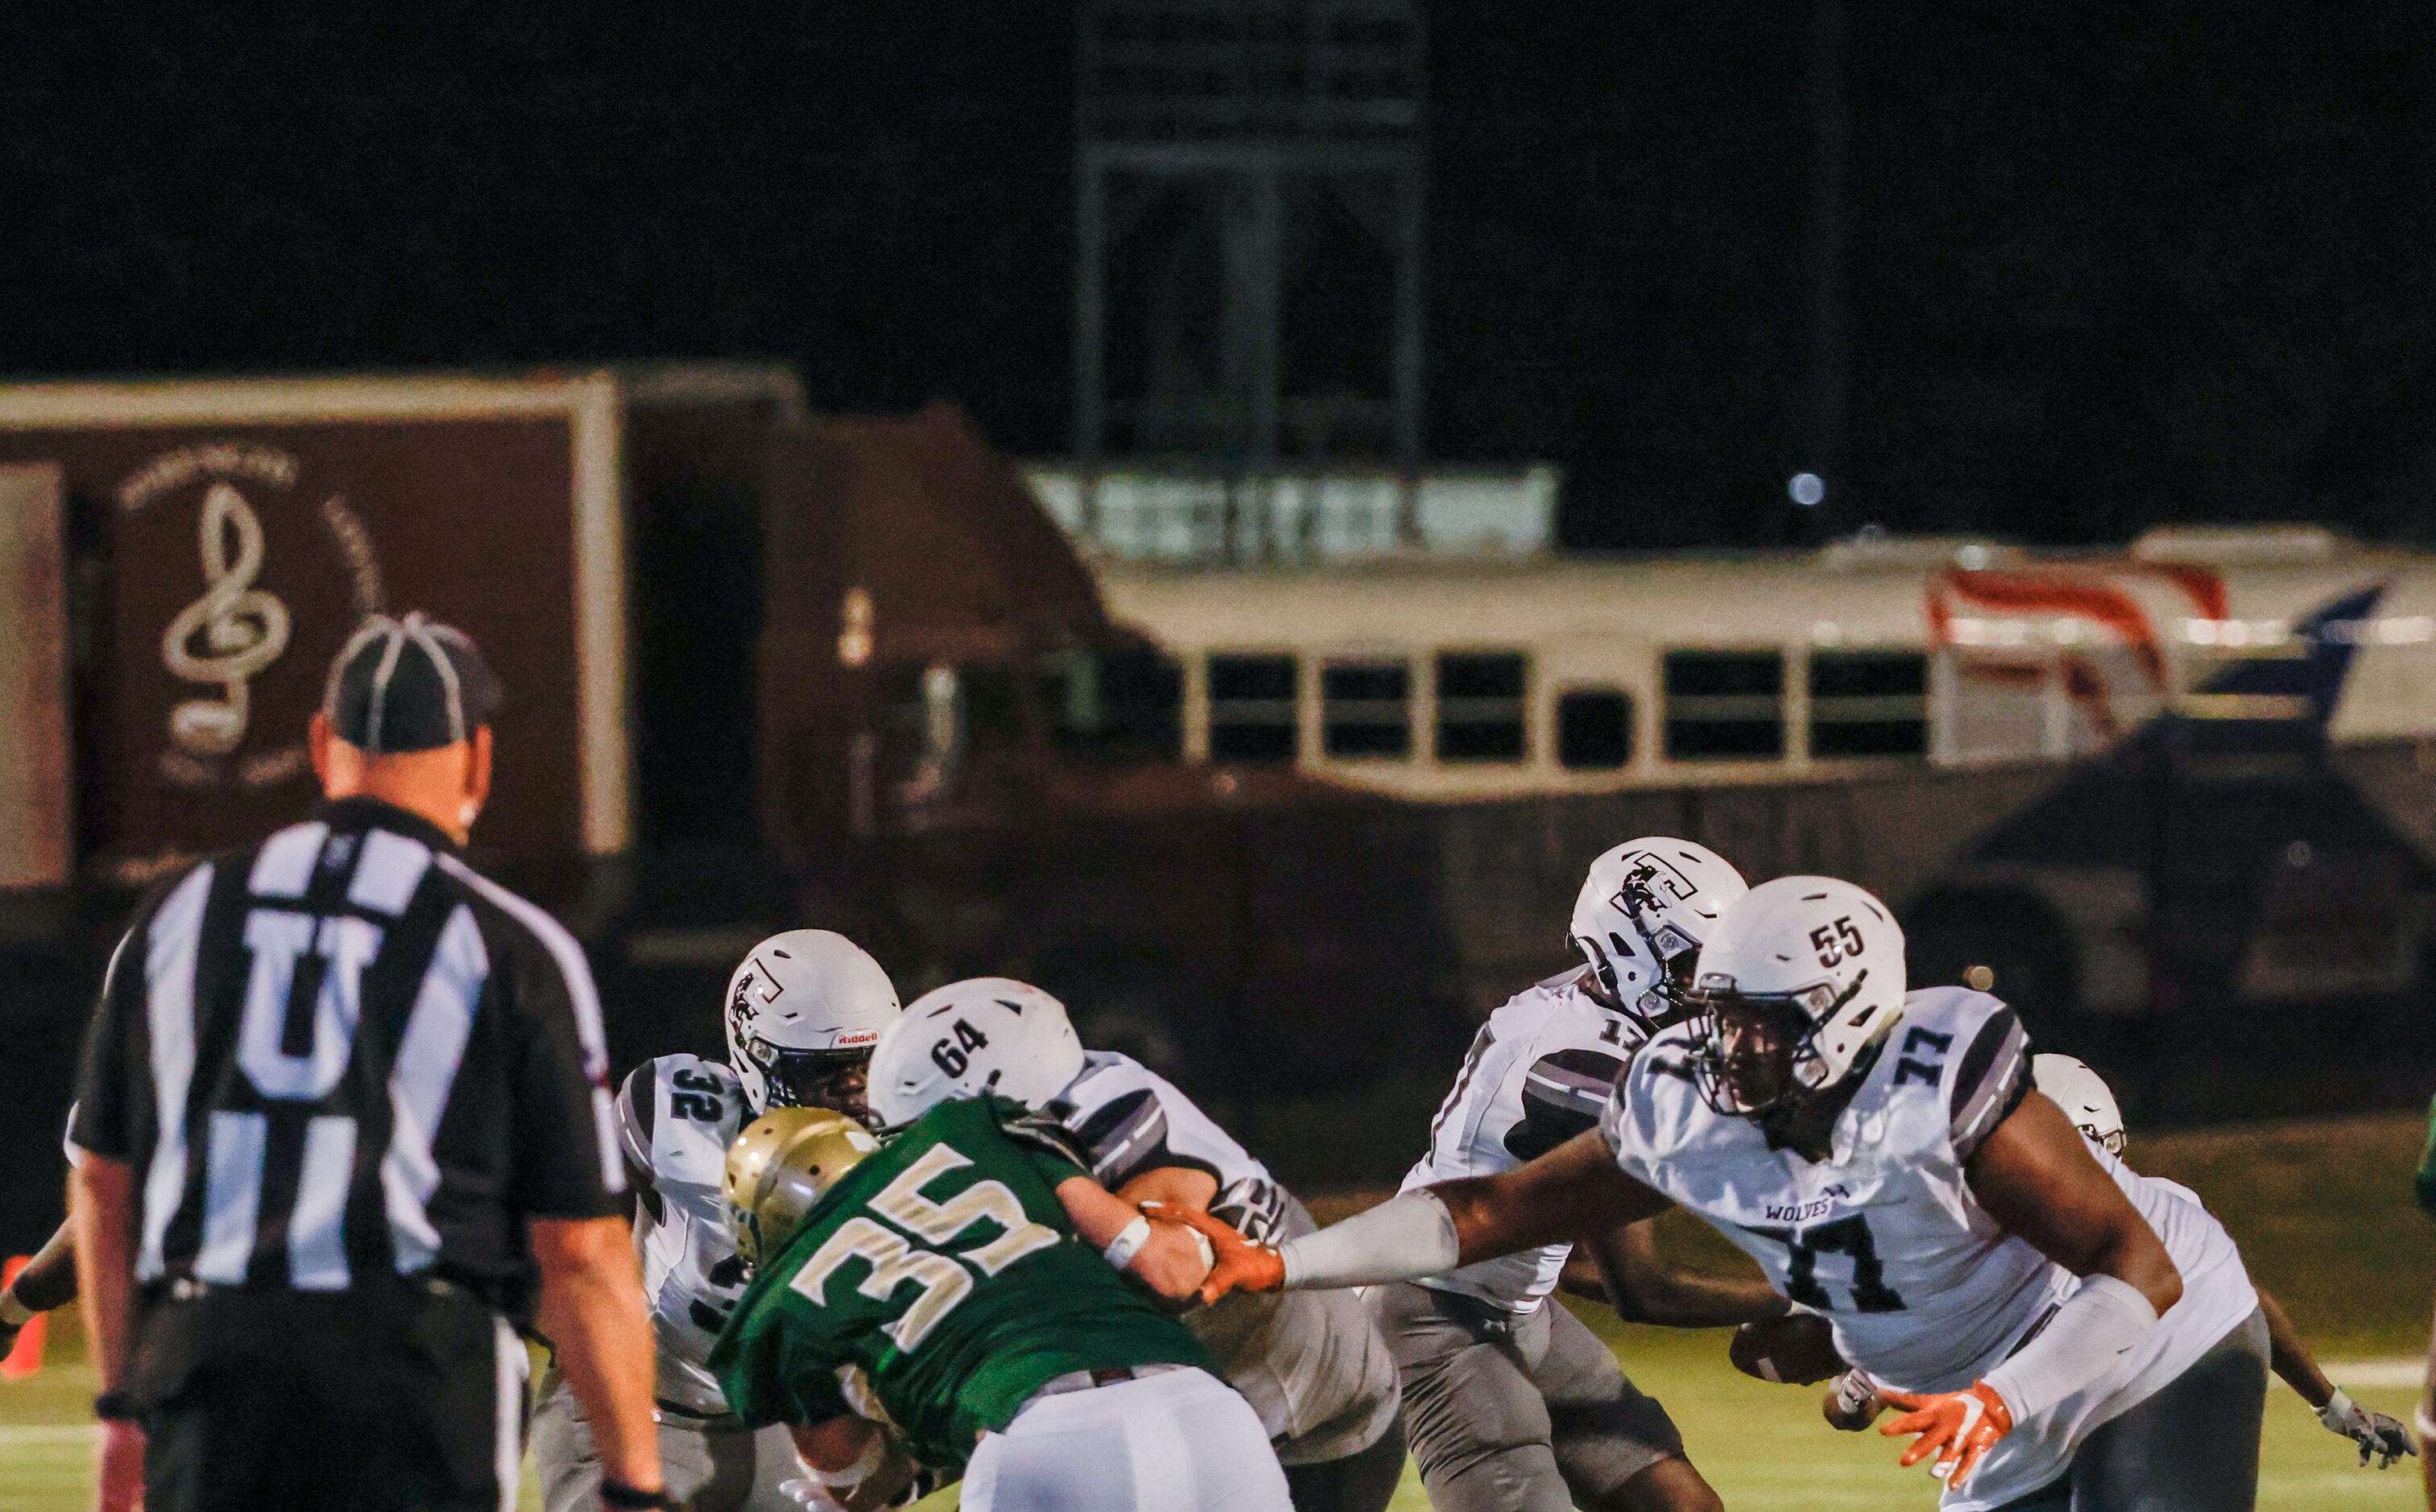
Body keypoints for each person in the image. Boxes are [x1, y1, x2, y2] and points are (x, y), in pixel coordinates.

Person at [1173, 875, 2278, 1512]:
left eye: (1759, 1017)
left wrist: (1996, 1397)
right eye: (1716, 1010)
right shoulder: (1680, 1104)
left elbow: (2139, 1266)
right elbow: (1486, 1212)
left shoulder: (1943, 1083)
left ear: (1846, 1010)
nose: (1725, 1043)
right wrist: (1287, 1262)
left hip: (2143, 1341)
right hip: (1974, 1390)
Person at [68, 611, 664, 1512]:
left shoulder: (181, 913)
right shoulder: (506, 944)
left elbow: (104, 1185)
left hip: (212, 1360)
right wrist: (637, 1486)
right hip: (413, 1371)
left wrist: (122, 1407)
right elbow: (580, 1250)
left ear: (320, 743)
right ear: (477, 758)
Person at [866, 976, 1405, 1512]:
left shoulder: (1118, 1126)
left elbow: (1162, 1278)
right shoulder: (1053, 1110)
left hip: (1315, 1437)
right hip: (1198, 1416)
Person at [1368, 838, 1775, 1512]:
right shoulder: (1587, 1072)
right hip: (1435, 1315)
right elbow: (1645, 1291)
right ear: (1626, 949)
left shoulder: (1583, 1007)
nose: (1709, 989)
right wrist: (1801, 1301)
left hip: (1508, 1304)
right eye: (1690, 963)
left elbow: (1559, 1246)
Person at [708, 1084, 1290, 1510]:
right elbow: (1149, 1260)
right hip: (1203, 1406)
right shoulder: (971, 1130)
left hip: (1041, 1444)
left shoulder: (776, 1311)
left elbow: (852, 1473)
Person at [531, 929, 904, 1512]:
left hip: (777, 1423)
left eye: (869, 1067)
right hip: (642, 1408)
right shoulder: (686, 1117)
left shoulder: (900, 1151)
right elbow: (558, 1195)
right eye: (829, 1073)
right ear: (756, 1057)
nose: (855, 1098)